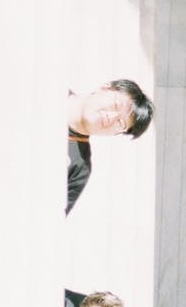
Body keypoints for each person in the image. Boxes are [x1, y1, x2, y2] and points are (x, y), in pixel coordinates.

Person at [66, 79, 154, 214]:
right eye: (116, 105)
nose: (110, 117)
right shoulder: (52, 85)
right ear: (104, 87)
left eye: (120, 123)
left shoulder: (80, 168)